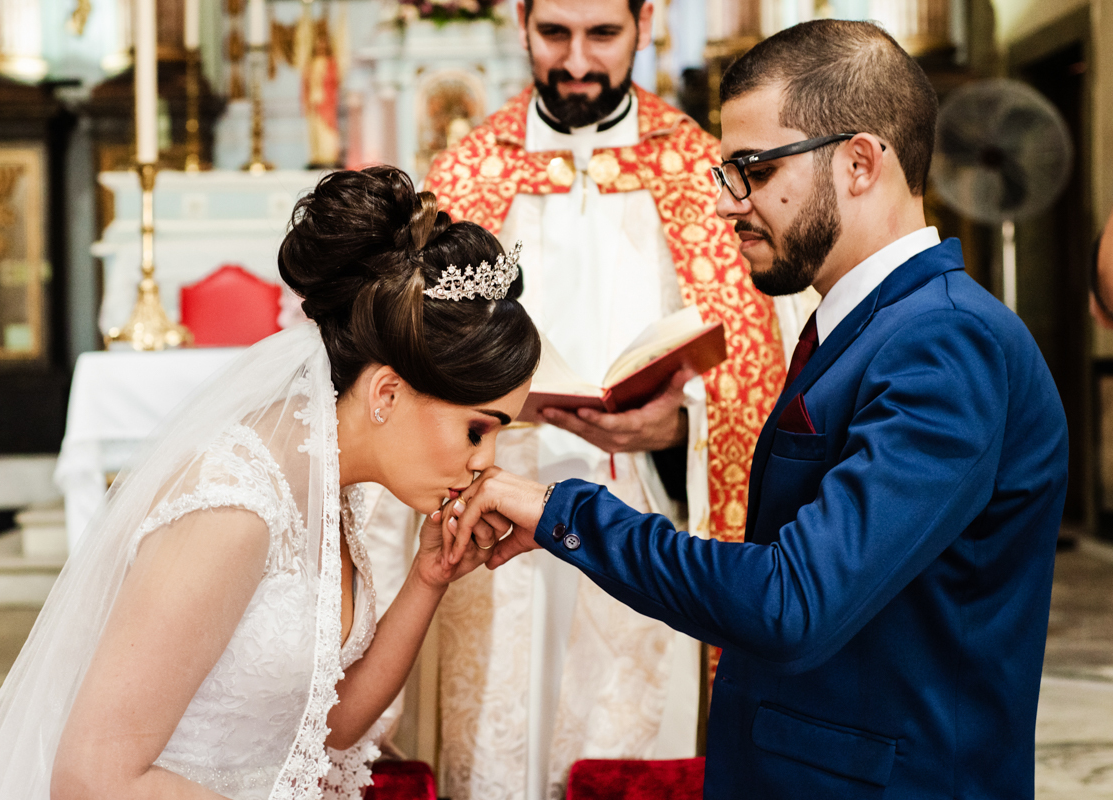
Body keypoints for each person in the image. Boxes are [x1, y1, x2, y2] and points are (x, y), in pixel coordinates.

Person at [446, 20, 1069, 799]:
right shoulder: (869, 326)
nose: (726, 204)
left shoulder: (945, 342)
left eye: (751, 168)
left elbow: (793, 602)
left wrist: (564, 514)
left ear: (859, 162)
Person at [0, 166, 541, 800]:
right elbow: (92, 778)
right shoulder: (233, 508)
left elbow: (326, 729)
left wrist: (429, 577)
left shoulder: (326, 478)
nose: (488, 462)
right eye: (479, 430)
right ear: (387, 392)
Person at [362, 2, 793, 796]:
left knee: (623, 746)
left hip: (644, 511)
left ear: (646, 22)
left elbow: (762, 365)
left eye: (603, 36)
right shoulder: (467, 171)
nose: (578, 63)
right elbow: (399, 359)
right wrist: (494, 404)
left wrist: (677, 426)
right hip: (488, 506)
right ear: (521, 21)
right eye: (555, 34)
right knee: (496, 745)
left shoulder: (701, 171)